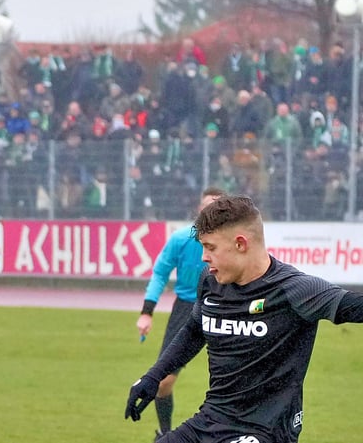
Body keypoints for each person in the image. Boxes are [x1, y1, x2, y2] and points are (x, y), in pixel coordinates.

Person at [126, 195, 363, 442]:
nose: (204, 257)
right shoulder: (209, 280)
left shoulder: (295, 290)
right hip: (210, 421)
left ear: (240, 243)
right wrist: (154, 376)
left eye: (210, 247)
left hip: (266, 431)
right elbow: (195, 330)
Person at [135, 186, 225, 440]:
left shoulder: (234, 241)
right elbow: (160, 273)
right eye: (208, 204)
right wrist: (146, 312)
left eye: (218, 205)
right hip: (186, 310)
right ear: (200, 209)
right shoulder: (181, 239)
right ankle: (165, 434)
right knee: (163, 382)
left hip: (225, 307)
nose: (211, 210)